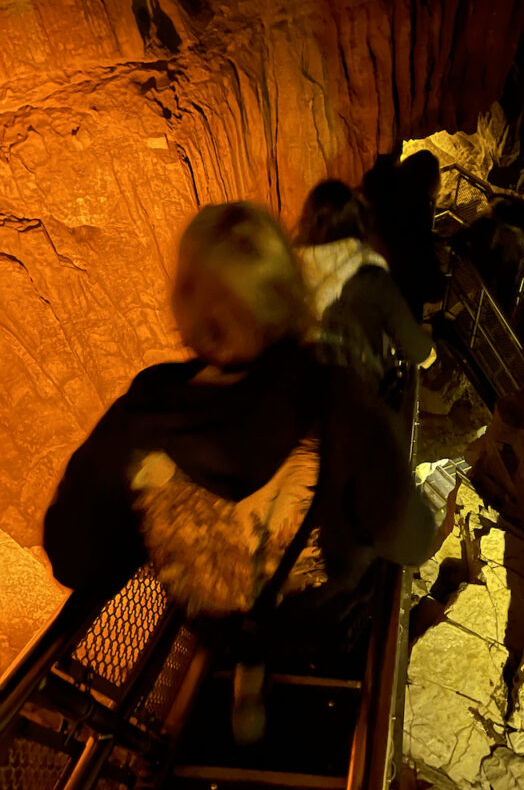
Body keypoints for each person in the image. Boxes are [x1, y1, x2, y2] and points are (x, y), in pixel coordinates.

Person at [44, 201, 436, 738]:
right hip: (329, 629)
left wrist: (150, 522)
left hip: (214, 627)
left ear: (186, 305)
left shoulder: (144, 414)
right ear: (285, 293)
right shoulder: (337, 394)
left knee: (243, 606)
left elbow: (72, 557)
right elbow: (408, 540)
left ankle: (247, 659)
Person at [295, 179, 435, 400]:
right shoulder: (369, 272)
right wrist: (427, 353)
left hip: (301, 389)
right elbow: (408, 336)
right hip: (352, 392)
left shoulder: (290, 266)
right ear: (356, 220)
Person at [363, 150, 445, 321]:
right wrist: (439, 285)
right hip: (397, 299)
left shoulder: (383, 196)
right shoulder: (416, 215)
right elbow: (419, 255)